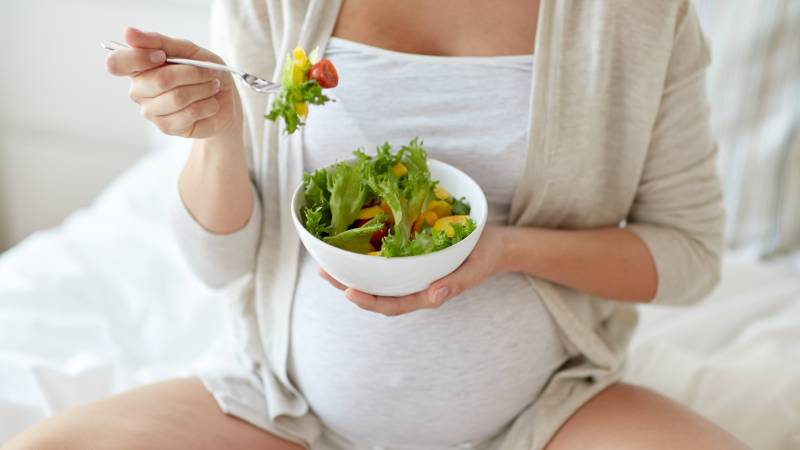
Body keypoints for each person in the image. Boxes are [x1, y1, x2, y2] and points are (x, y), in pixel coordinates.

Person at [3, 1, 749, 449]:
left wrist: (506, 251)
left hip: (546, 417)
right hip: (284, 410)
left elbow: (687, 255)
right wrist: (218, 134)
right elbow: (218, 264)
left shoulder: (637, 18)